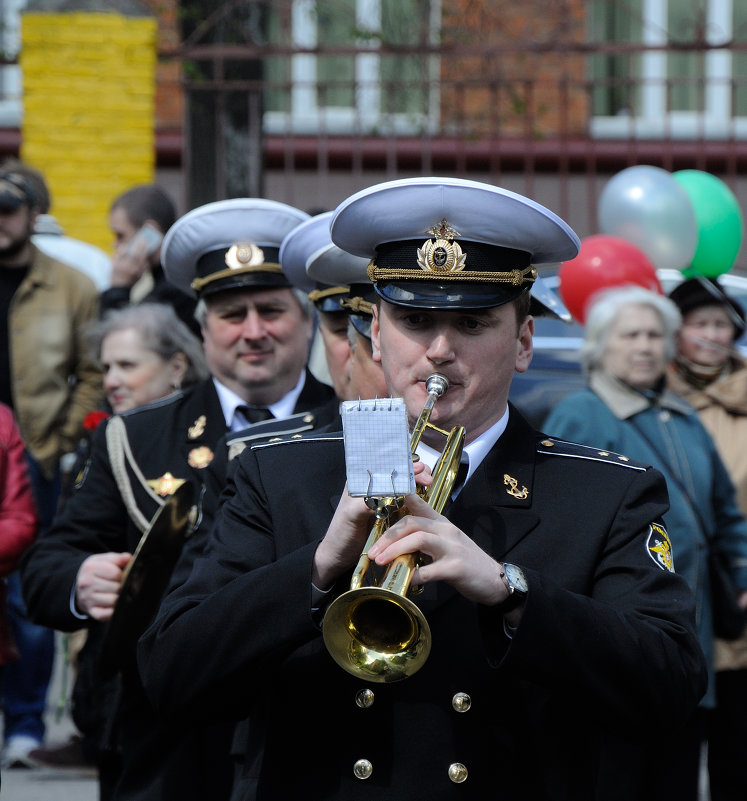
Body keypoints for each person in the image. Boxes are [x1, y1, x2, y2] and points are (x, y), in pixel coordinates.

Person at [139, 177, 706, 801]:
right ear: (376, 335)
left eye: (471, 322)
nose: (439, 351)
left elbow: (672, 688)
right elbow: (169, 677)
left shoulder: (606, 492)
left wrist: (511, 592)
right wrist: (319, 566)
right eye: (414, 320)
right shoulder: (276, 477)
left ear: (522, 343)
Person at [18, 196, 338, 800]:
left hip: (311, 726)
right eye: (230, 313)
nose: (252, 331)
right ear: (201, 326)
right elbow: (47, 563)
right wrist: (81, 577)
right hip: (165, 735)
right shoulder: (134, 434)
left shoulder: (347, 426)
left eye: (270, 310)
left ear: (305, 318)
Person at [544, 284, 747, 801]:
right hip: (612, 651)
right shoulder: (582, 416)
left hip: (686, 644)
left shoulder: (682, 417)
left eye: (656, 334)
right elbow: (559, 530)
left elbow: (725, 515)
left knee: (677, 775)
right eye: (630, 334)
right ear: (601, 345)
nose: (645, 346)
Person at [26, 302, 208, 771]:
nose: (110, 380)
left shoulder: (209, 430)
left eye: (127, 365)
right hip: (127, 693)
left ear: (176, 366)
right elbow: (59, 551)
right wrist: (80, 578)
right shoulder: (109, 436)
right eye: (106, 367)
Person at [0, 164, 101, 769]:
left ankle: (26, 722)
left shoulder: (69, 286)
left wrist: (59, 439)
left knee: (21, 594)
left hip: (33, 458)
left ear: (33, 215)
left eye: (8, 211)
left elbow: (91, 375)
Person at [666, 276, 747, 801]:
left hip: (738, 598)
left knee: (738, 752)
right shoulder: (657, 403)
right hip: (681, 598)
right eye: (701, 325)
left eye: (722, 325)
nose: (713, 336)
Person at [102, 184, 199, 337]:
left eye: (120, 235)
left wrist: (118, 289)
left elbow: (119, 343)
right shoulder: (174, 282)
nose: (115, 244)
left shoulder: (174, 293)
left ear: (150, 232)